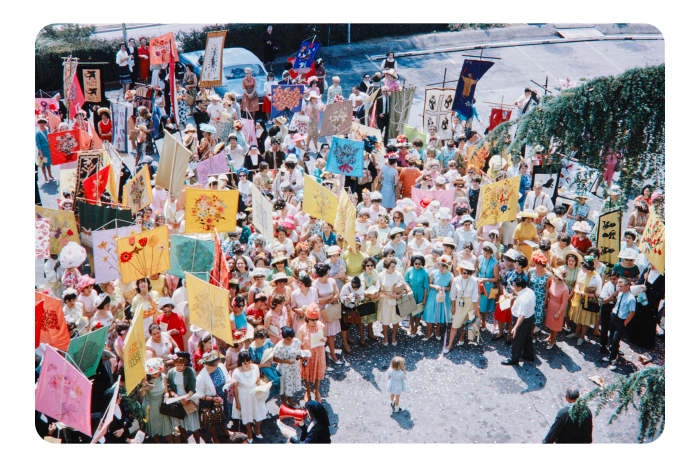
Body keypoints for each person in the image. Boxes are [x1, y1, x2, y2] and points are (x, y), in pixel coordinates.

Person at [194, 350, 232, 443]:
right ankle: (214, 437)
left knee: (224, 415)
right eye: (213, 365)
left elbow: (227, 377)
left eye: (217, 364)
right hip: (210, 401)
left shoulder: (220, 367)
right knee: (213, 420)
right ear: (206, 365)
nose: (216, 367)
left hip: (222, 397)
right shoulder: (201, 377)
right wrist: (213, 398)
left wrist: (231, 381)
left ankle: (224, 430)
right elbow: (199, 394)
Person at [627, 263, 665, 350]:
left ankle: (646, 344)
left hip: (652, 303)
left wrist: (648, 289)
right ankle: (634, 339)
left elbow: (660, 294)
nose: (650, 264)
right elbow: (639, 282)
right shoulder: (647, 270)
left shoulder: (662, 275)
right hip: (641, 301)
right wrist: (643, 281)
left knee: (648, 323)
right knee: (638, 319)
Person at [567, 256, 603, 346]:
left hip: (588, 302)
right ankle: (576, 333)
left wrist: (585, 294)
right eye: (582, 266)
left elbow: (598, 294)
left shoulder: (596, 278)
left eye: (585, 267)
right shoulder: (581, 272)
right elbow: (577, 283)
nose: (582, 268)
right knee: (579, 318)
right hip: (579, 300)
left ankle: (582, 336)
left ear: (590, 268)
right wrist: (577, 290)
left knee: (585, 321)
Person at [602, 278, 636, 370]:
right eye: (619, 286)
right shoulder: (620, 293)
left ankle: (613, 359)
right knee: (611, 337)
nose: (619, 288)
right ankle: (612, 354)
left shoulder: (631, 298)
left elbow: (632, 312)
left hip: (621, 320)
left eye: (621, 286)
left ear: (627, 286)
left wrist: (624, 323)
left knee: (615, 340)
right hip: (614, 317)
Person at [446, 261, 480, 352]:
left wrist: (476, 308)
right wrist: (453, 307)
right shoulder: (456, 280)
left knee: (467, 322)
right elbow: (452, 294)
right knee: (455, 324)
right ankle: (449, 344)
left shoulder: (473, 280)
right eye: (464, 273)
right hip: (459, 302)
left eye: (469, 273)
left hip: (470, 303)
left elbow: (475, 295)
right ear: (460, 271)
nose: (466, 275)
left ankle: (461, 338)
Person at [502, 278, 536, 366]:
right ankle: (528, 355)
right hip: (530, 317)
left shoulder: (523, 299)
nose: (513, 287)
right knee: (527, 337)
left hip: (521, 320)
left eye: (514, 285)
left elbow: (522, 315)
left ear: (520, 287)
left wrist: (515, 327)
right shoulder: (529, 291)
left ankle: (513, 359)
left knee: (516, 339)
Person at [299, 304, 327, 402]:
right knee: (307, 374)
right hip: (307, 355)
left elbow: (325, 338)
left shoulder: (321, 325)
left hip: (319, 354)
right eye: (312, 320)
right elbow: (299, 344)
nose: (315, 322)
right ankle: (307, 390)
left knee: (318, 373)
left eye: (316, 319)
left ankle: (316, 390)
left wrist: (324, 339)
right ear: (307, 319)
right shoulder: (302, 329)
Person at [142, 358, 174, 443]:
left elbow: (166, 391)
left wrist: (166, 397)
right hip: (150, 407)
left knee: (168, 430)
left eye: (158, 371)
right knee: (154, 430)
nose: (158, 373)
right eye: (155, 373)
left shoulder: (163, 376)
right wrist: (144, 387)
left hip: (162, 406)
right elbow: (142, 395)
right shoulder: (145, 380)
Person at [423, 255, 454, 341]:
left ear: (447, 267)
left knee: (440, 313)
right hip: (433, 294)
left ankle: (437, 331)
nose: (441, 269)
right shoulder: (434, 272)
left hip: (443, 296)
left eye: (443, 268)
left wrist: (444, 288)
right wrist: (435, 286)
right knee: (429, 312)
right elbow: (429, 284)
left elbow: (452, 287)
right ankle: (429, 332)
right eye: (440, 267)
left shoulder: (450, 275)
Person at [166, 353, 200, 433]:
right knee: (180, 424)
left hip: (188, 399)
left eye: (181, 365)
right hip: (177, 399)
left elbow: (193, 387)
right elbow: (170, 387)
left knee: (193, 425)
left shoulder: (190, 371)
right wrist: (177, 397)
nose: (179, 367)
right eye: (177, 365)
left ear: (185, 364)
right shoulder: (171, 372)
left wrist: (187, 397)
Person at [376, 257, 405, 346]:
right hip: (385, 300)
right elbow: (378, 289)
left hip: (395, 299)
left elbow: (403, 288)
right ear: (387, 267)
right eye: (392, 267)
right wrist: (387, 293)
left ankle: (393, 336)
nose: (394, 268)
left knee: (395, 319)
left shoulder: (398, 274)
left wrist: (398, 295)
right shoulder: (380, 275)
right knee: (385, 319)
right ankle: (385, 336)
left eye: (394, 266)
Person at [273, 326, 304, 408]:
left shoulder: (296, 341)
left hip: (294, 367)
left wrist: (298, 356)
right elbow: (275, 358)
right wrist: (287, 361)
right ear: (283, 337)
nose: (290, 341)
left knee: (292, 384)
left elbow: (298, 352)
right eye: (288, 339)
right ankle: (284, 403)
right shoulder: (279, 346)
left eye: (291, 338)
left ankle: (290, 400)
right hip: (284, 368)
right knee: (283, 386)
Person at [543, 267, 570, 349]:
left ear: (559, 278)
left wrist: (558, 313)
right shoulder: (553, 282)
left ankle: (552, 340)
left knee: (555, 326)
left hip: (557, 309)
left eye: (555, 276)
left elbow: (564, 303)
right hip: (551, 306)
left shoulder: (565, 289)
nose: (553, 277)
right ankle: (551, 336)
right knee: (550, 324)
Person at [476, 244, 500, 331]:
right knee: (476, 303)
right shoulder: (479, 258)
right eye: (484, 252)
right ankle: (477, 321)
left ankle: (483, 322)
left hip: (488, 285)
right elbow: (477, 270)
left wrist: (485, 279)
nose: (485, 254)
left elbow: (496, 278)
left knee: (484, 306)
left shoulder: (495, 263)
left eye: (488, 253)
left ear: (491, 253)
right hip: (478, 283)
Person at [599, 269, 620, 355]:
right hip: (607, 308)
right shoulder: (607, 285)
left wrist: (610, 299)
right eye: (611, 278)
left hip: (616, 308)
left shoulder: (621, 285)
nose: (612, 281)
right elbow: (603, 301)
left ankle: (613, 345)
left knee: (614, 329)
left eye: (614, 279)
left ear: (618, 278)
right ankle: (603, 345)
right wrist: (613, 296)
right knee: (604, 328)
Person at [35, 116, 54, 182]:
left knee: (48, 163)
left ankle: (50, 174)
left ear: (45, 123)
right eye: (40, 123)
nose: (42, 124)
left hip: (48, 149)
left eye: (43, 123)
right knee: (43, 164)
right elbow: (38, 144)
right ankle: (45, 176)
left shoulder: (47, 129)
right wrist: (40, 153)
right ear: (39, 124)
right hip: (42, 149)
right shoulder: (38, 132)